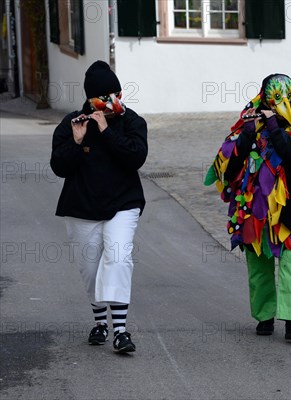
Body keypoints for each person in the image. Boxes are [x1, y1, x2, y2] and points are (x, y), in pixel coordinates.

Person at [205, 73, 291, 340]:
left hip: (290, 209)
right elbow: (229, 167)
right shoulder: (248, 122)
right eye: (274, 97)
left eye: (285, 96)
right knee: (258, 263)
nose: (279, 103)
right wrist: (247, 134)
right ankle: (264, 317)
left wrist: (274, 126)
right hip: (253, 207)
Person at [50, 60, 148, 353]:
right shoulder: (73, 123)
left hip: (123, 203)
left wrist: (106, 130)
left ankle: (120, 330)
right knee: (90, 269)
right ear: (90, 98)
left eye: (115, 94)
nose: (110, 102)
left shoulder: (132, 122)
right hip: (81, 205)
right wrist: (78, 143)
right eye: (103, 97)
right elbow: (59, 166)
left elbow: (135, 157)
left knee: (118, 259)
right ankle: (100, 323)